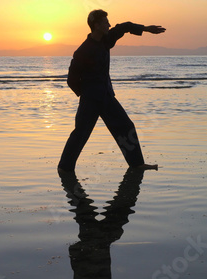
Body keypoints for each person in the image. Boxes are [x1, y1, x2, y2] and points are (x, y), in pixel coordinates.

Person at [58, 9, 165, 173]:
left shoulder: (106, 41)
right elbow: (71, 80)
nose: (109, 24)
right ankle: (65, 167)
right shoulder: (83, 51)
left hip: (107, 97)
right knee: (81, 133)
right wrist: (86, 93)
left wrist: (145, 29)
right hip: (90, 100)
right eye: (105, 22)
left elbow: (125, 26)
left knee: (126, 127)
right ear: (96, 25)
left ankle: (136, 164)